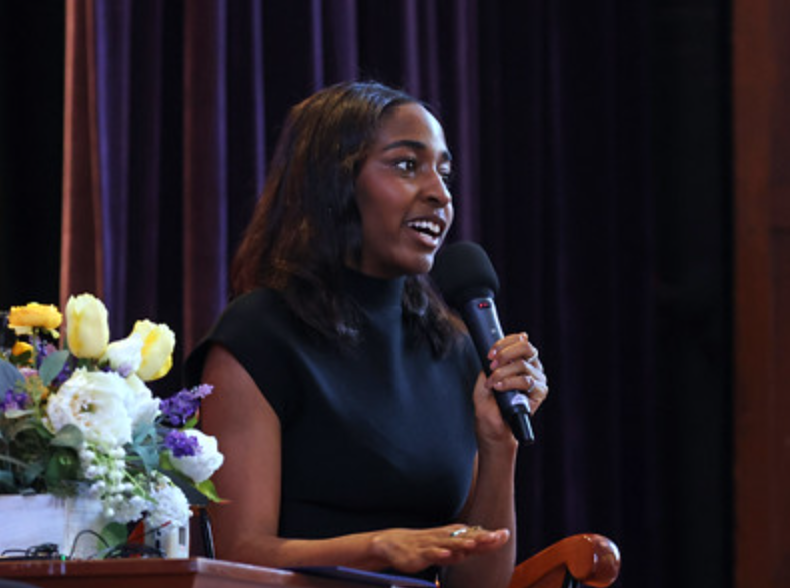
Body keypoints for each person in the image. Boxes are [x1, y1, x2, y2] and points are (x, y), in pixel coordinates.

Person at [185, 80, 548, 588]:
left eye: (445, 173)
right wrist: (378, 547)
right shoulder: (259, 335)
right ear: (334, 182)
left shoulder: (454, 348)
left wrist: (498, 444)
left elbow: (479, 584)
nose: (439, 194)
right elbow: (239, 552)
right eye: (407, 165)